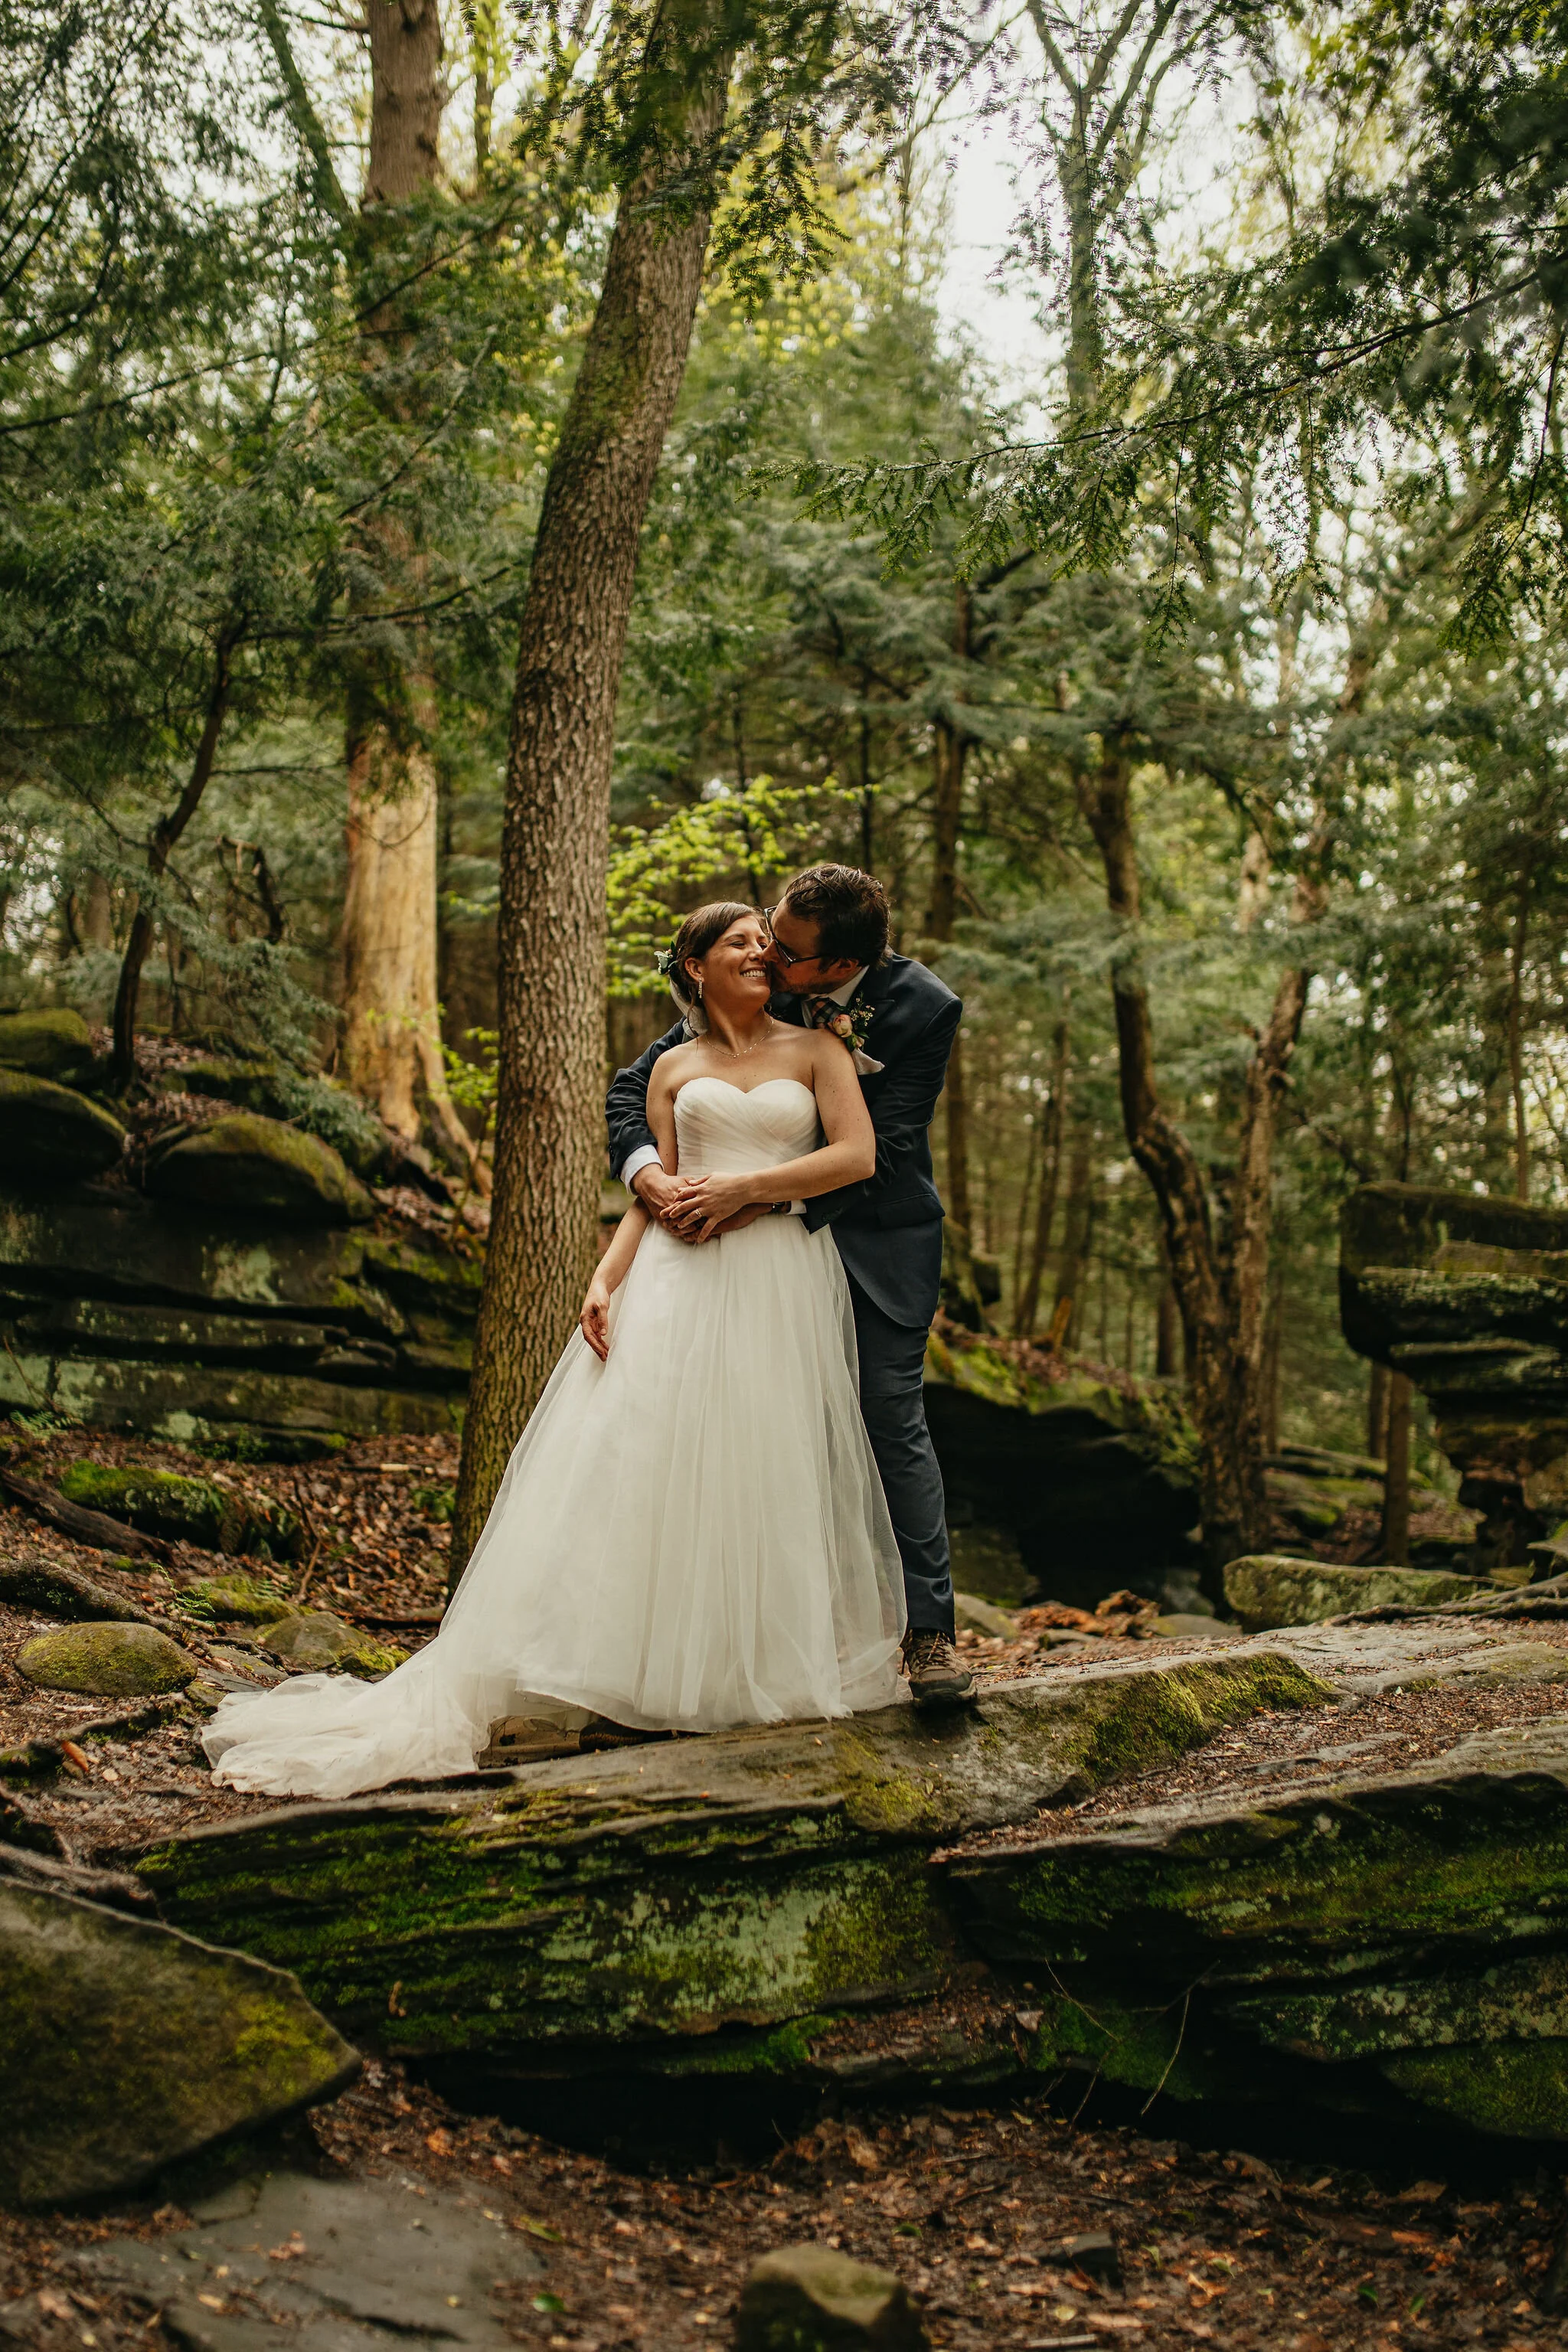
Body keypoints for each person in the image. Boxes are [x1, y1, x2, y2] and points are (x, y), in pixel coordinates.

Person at [202, 903, 906, 1800]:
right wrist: (604, 1277)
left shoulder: (817, 1051)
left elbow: (855, 1156)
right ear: (694, 967)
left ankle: (738, 1669)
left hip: (776, 1274)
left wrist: (745, 1188)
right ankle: (627, 1673)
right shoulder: (671, 1067)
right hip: (676, 1276)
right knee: (646, 1460)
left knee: (757, 1460)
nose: (761, 953)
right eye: (739, 943)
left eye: (765, 944)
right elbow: (649, 1193)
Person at [606, 864, 972, 1709]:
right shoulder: (749, 980)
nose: (764, 950)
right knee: (730, 1431)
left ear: (835, 968)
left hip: (870, 1242)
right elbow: (639, 1089)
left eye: (784, 950)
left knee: (889, 1421)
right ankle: (723, 1644)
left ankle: (928, 1638)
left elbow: (884, 1138)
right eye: (763, 928)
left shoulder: (922, 1007)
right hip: (740, 1257)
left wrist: (756, 1194)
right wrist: (649, 1176)